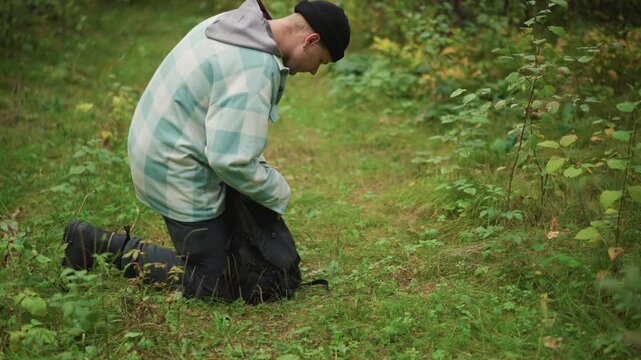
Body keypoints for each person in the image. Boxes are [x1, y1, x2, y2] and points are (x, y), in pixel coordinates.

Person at [62, 0, 350, 299]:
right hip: (172, 167)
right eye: (321, 61)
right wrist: (277, 191)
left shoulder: (236, 25)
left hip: (160, 145)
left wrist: (255, 170)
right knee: (215, 282)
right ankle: (94, 243)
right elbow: (231, 161)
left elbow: (230, 139)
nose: (314, 71)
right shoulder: (253, 66)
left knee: (237, 247)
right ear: (311, 40)